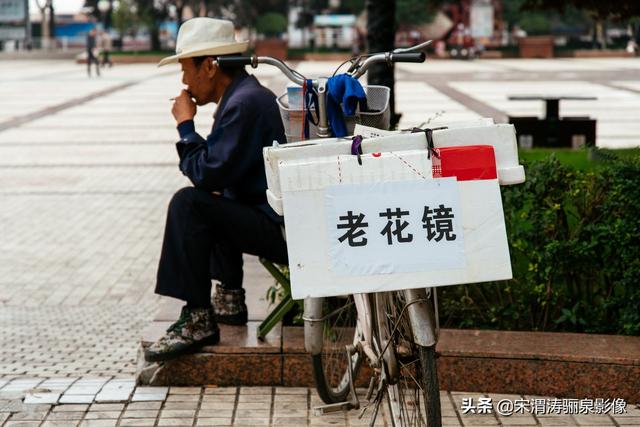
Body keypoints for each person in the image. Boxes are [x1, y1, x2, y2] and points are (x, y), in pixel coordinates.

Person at [144, 17, 288, 362]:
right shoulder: (243, 96)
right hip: (275, 220)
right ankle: (229, 298)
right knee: (211, 199)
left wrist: (185, 126)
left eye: (185, 68)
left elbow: (206, 172)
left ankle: (197, 317)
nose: (183, 80)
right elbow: (217, 173)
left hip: (283, 231)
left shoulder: (244, 103)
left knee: (189, 205)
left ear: (208, 67)